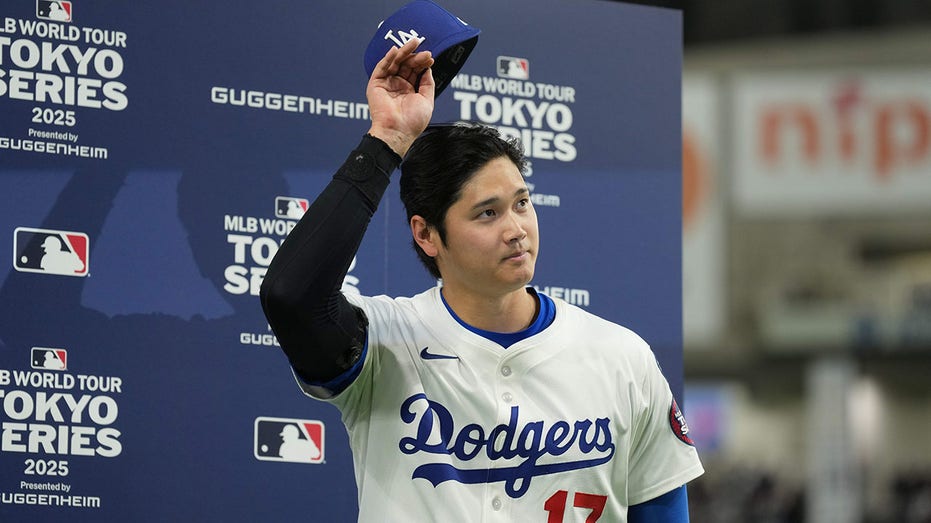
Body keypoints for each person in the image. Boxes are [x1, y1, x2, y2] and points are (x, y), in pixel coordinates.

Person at [260, 37, 703, 522]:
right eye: (487, 213)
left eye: (521, 203)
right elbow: (292, 295)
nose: (516, 229)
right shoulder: (385, 341)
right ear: (426, 234)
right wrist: (386, 140)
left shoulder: (622, 357)